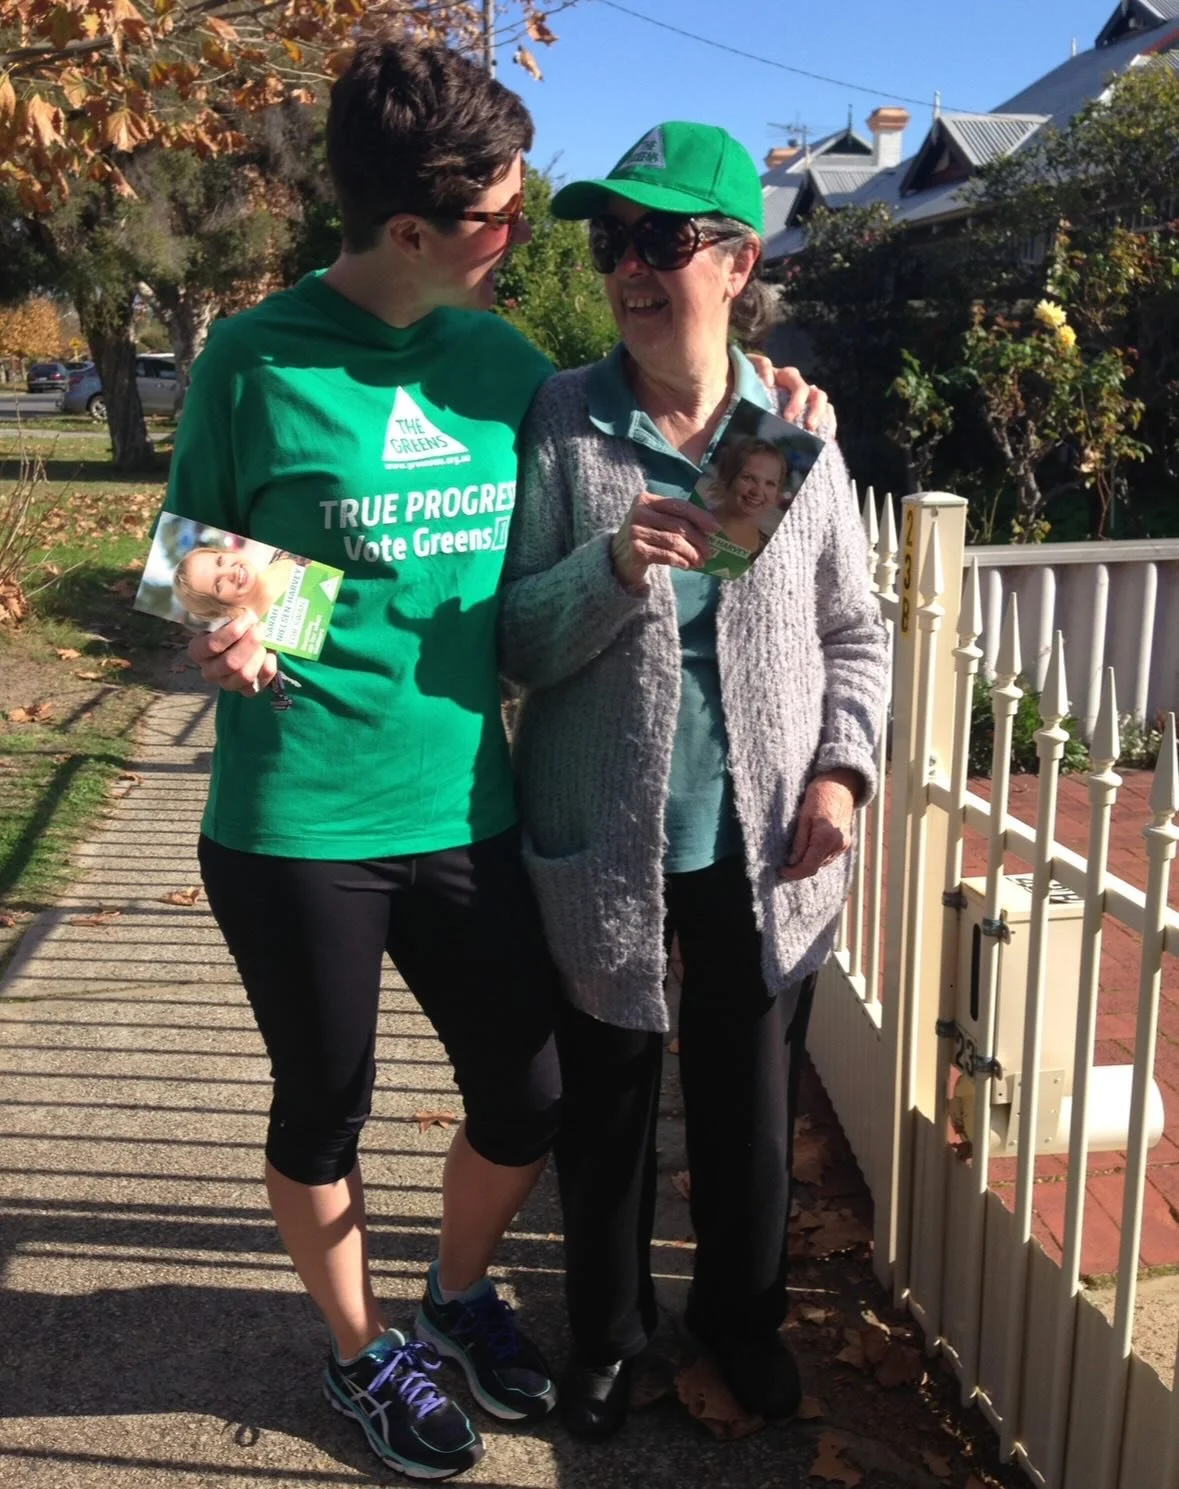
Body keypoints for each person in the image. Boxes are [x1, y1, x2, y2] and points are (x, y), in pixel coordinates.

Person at [179, 45, 833, 1479]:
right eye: (511, 218)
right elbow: (195, 548)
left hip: (472, 799)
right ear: (412, 231)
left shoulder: (502, 370)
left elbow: (642, 438)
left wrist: (772, 406)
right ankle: (363, 1354)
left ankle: (455, 1291)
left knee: (529, 1093)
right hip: (299, 812)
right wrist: (224, 628)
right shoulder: (254, 357)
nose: (543, 244)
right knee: (323, 1103)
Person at [499, 121, 888, 1442]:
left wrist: (839, 770)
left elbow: (853, 632)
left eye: (661, 240)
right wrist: (609, 566)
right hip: (603, 834)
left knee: (743, 1116)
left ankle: (738, 1320)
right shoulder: (562, 417)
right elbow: (514, 641)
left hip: (759, 839)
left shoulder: (790, 438)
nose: (628, 268)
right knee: (604, 1110)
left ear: (739, 258)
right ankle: (604, 1336)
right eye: (612, 242)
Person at [705, 436, 789, 556]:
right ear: (727, 476)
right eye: (748, 478)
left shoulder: (770, 552)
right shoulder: (691, 522)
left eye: (770, 483)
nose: (758, 492)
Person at [173, 545, 296, 622]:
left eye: (220, 561)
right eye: (218, 585)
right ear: (221, 608)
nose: (231, 571)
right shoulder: (272, 644)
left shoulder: (285, 550)